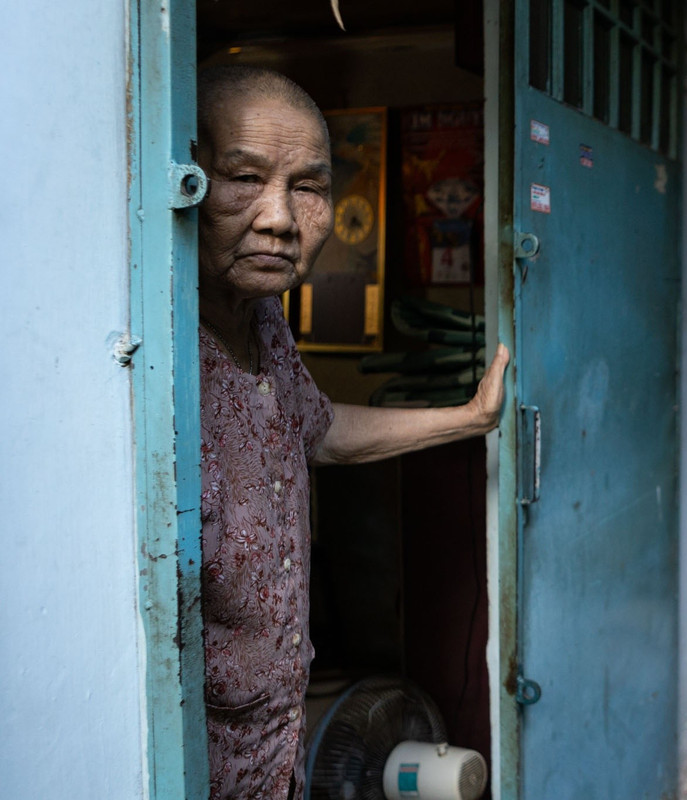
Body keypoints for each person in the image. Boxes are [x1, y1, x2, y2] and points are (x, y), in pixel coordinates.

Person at [195, 65, 509, 800]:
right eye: (243, 178)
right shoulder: (155, 350)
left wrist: (469, 419)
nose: (278, 217)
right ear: (189, 177)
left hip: (276, 752)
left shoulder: (262, 316)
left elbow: (318, 428)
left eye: (308, 187)